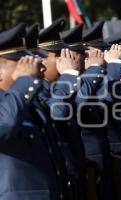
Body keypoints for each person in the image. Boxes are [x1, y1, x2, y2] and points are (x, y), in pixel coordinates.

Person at [0, 23, 69, 200]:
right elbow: (5, 125)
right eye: (22, 64)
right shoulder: (18, 96)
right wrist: (23, 82)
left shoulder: (26, 101)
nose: (34, 70)